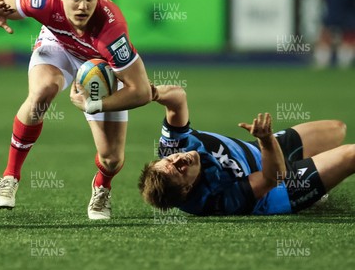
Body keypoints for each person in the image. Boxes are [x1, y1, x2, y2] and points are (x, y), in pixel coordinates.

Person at [0, 0, 152, 219]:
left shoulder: (112, 32)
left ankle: (102, 187)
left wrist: (94, 105)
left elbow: (141, 92)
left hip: (98, 67)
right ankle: (10, 176)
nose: (83, 6)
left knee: (111, 159)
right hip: (58, 47)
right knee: (42, 91)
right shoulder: (44, 0)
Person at [138, 85, 353, 215]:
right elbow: (273, 177)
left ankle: (321, 181)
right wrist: (266, 139)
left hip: (257, 150)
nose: (178, 159)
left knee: (337, 129)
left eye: (169, 160)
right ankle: (313, 188)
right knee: (351, 155)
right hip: (283, 188)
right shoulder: (216, 200)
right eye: (179, 170)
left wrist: (151, 92)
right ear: (186, 190)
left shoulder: (172, 146)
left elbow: (177, 98)